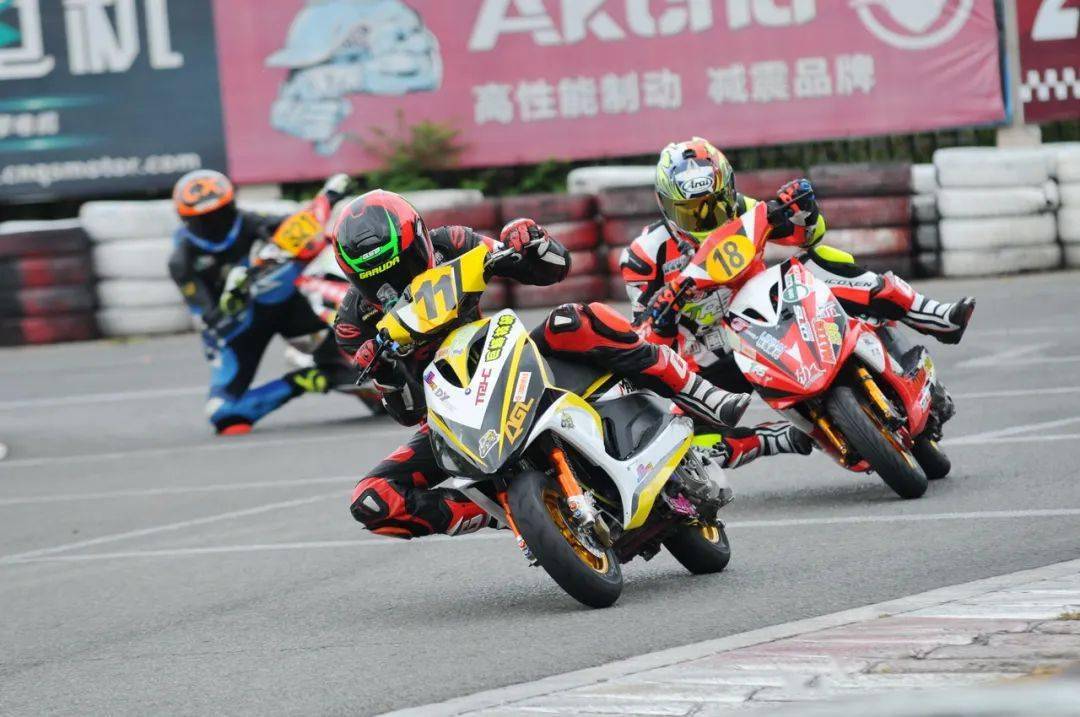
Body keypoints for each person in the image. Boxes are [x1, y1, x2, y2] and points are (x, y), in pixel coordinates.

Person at [333, 190, 756, 538]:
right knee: (372, 499)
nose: (395, 283)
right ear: (353, 277)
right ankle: (498, 510)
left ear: (421, 240)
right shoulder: (352, 324)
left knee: (576, 319)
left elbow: (551, 270)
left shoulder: (452, 242)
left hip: (503, 355)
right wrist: (385, 373)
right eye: (374, 279)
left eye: (403, 266)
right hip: (449, 415)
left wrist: (531, 242)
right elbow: (407, 414)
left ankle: (695, 390)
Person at [621, 138, 975, 458]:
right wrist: (662, 318)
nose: (705, 220)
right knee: (682, 442)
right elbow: (644, 344)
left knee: (817, 261)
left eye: (713, 207)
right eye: (690, 211)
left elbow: (808, 236)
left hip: (770, 308)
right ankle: (776, 440)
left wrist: (805, 210)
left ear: (729, 190)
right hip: (712, 354)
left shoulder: (743, 209)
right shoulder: (643, 256)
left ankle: (929, 313)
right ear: (665, 205)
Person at [168, 169, 352, 435]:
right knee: (224, 413)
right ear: (187, 221)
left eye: (221, 213)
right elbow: (210, 318)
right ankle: (306, 379)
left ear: (232, 205)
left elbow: (296, 227)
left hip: (286, 307)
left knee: (315, 250)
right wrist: (232, 299)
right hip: (238, 330)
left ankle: (361, 336)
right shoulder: (182, 260)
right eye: (205, 220)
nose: (216, 223)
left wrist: (328, 198)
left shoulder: (247, 221)